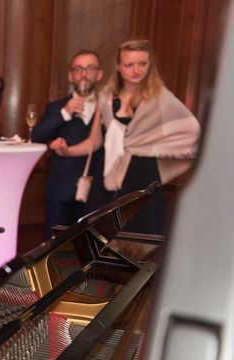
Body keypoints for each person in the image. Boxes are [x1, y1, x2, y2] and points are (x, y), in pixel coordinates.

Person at [53, 39, 200, 234]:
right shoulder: (106, 96)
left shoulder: (160, 98)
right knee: (99, 237)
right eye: (129, 65)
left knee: (139, 238)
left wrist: (154, 148)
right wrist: (68, 150)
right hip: (106, 176)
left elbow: (194, 132)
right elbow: (95, 141)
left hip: (142, 176)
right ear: (119, 67)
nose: (136, 70)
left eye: (142, 64)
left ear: (150, 65)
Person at [31, 49, 104, 239]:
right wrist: (65, 113)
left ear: (100, 74)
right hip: (60, 189)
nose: (84, 74)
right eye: (78, 69)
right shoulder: (56, 108)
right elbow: (36, 137)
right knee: (54, 248)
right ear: (70, 76)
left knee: (89, 247)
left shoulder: (110, 108)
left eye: (90, 68)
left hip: (97, 191)